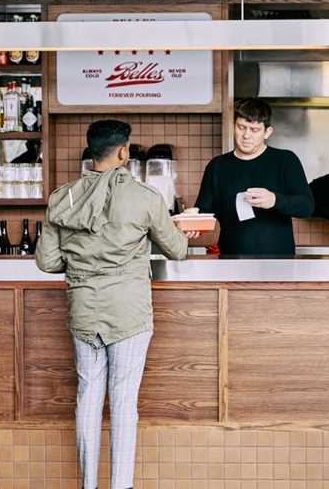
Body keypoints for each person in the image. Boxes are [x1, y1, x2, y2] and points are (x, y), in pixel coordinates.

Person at [35, 119, 199, 489]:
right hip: (128, 313)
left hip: (83, 312)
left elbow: (47, 262)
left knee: (88, 399)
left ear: (91, 152)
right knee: (123, 402)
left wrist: (80, 259)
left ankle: (88, 484)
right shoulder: (144, 197)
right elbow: (176, 250)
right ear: (124, 152)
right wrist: (181, 234)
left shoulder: (63, 198)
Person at [195, 98, 314, 255]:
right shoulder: (217, 166)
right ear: (233, 127)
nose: (246, 135)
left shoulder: (285, 160)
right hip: (231, 260)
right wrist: (192, 223)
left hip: (279, 262)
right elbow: (204, 211)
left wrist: (274, 200)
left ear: (267, 132)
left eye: (254, 129)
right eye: (241, 127)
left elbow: (307, 207)